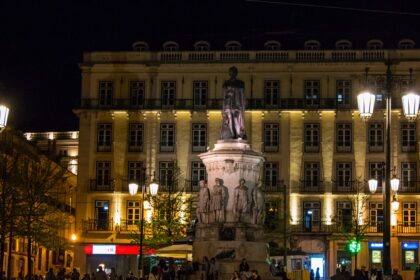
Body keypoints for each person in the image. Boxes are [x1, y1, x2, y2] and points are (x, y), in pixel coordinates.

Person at [220, 66, 246, 140]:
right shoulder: (226, 83)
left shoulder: (240, 83)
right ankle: (231, 135)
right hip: (228, 105)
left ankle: (237, 134)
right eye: (231, 72)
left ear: (236, 73)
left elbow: (242, 96)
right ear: (229, 73)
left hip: (237, 106)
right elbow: (224, 97)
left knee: (237, 121)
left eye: (234, 72)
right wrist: (223, 109)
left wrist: (242, 107)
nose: (232, 73)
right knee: (229, 121)